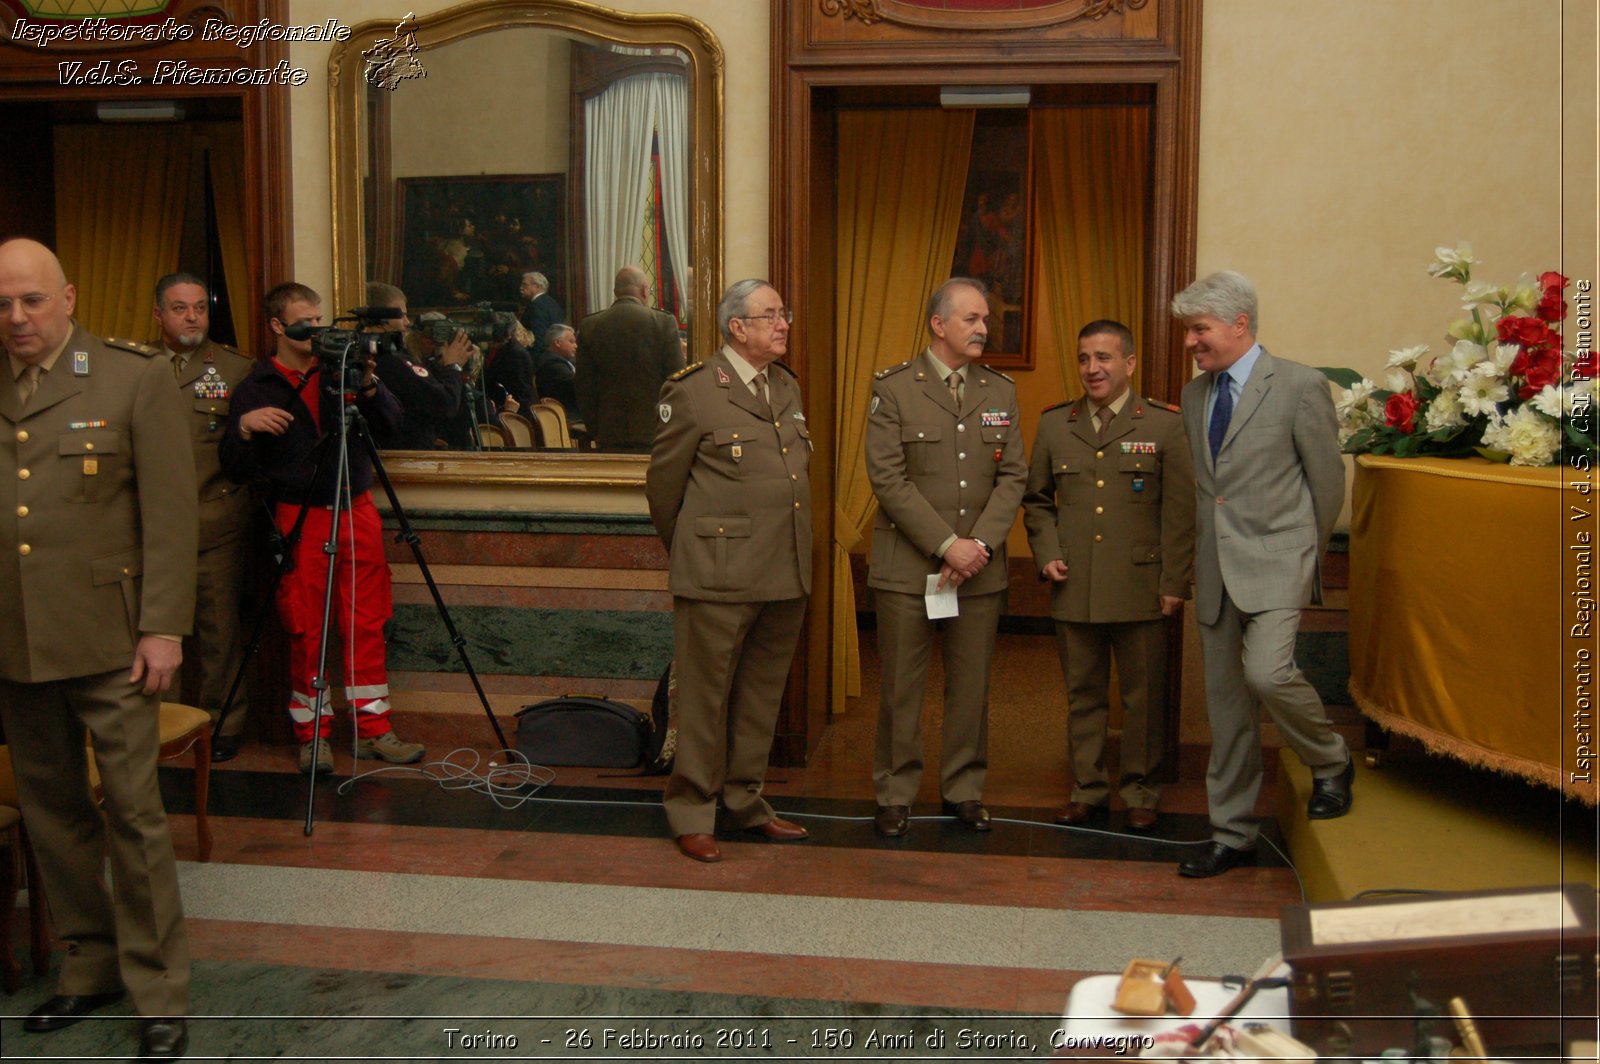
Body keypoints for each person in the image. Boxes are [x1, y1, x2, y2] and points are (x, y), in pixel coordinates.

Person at [0, 238, 195, 1059]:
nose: (16, 318)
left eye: (31, 301)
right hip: (16, 641)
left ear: (68, 297)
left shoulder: (132, 376)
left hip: (114, 640)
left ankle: (160, 989)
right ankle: (89, 969)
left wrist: (163, 627)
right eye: (3, 305)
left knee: (135, 817)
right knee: (53, 815)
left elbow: (170, 513)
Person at [1173, 270, 1352, 878]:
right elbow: (1205, 492)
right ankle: (1232, 834)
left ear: (1239, 324)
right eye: (1189, 331)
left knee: (1268, 674)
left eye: (1200, 330)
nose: (1192, 342)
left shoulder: (1300, 386)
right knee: (1227, 712)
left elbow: (1327, 484)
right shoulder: (1195, 396)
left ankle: (1330, 759)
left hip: (1278, 563)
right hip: (1216, 570)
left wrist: (1306, 555)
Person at [219, 282, 426, 775]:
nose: (317, 330)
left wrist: (370, 386)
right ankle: (313, 735)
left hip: (355, 507)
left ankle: (374, 730)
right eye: (306, 322)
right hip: (299, 512)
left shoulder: (342, 371)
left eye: (319, 320)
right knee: (307, 627)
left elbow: (396, 423)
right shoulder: (258, 385)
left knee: (367, 620)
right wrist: (245, 427)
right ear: (277, 325)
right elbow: (232, 465)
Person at [645, 279, 812, 863]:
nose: (783, 323)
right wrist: (697, 551)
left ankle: (745, 802)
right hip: (717, 573)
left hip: (783, 570)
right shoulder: (693, 392)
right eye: (770, 314)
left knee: (759, 697)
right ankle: (692, 810)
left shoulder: (785, 387)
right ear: (737, 327)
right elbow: (665, 492)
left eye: (783, 312)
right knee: (704, 700)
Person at [865, 277, 1027, 837]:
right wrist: (946, 545)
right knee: (902, 688)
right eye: (972, 320)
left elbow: (1013, 476)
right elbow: (888, 478)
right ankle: (895, 792)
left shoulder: (1000, 391)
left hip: (978, 570)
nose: (984, 329)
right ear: (939, 325)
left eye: (986, 320)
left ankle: (964, 788)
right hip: (909, 569)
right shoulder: (894, 388)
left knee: (971, 686)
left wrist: (977, 545)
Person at [1021, 320, 1195, 832]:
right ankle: (1088, 789)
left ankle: (1140, 790)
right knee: (1084, 695)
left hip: (1142, 584)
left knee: (1142, 697)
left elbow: (1181, 512)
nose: (1092, 369)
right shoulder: (1056, 424)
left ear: (1129, 363)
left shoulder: (1164, 425)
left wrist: (1173, 582)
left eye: (1103, 358)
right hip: (1074, 584)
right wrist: (1046, 551)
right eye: (1083, 359)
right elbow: (1036, 500)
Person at [152, 271, 258, 762]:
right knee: (155, 630)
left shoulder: (234, 369)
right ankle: (161, 726)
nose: (192, 316)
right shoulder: (138, 367)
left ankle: (222, 723)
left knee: (218, 631)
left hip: (213, 519)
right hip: (150, 528)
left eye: (199, 307)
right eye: (180, 308)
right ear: (159, 315)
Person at [576, 265, 683, 450]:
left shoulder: (590, 326)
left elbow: (584, 386)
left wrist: (595, 429)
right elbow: (677, 379)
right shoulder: (663, 322)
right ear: (643, 290)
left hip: (609, 430)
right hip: (656, 429)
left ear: (615, 292)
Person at [362, 281, 470, 451]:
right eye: (402, 315)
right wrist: (453, 367)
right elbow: (443, 405)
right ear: (381, 317)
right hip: (403, 459)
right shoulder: (388, 362)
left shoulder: (390, 357)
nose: (407, 322)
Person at [535, 322, 579, 417]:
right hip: (566, 414)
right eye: (571, 341)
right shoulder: (552, 364)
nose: (576, 346)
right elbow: (577, 385)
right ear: (558, 342)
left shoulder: (565, 360)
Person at [518, 270, 564, 352]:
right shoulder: (551, 302)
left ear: (538, 287)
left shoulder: (537, 306)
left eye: (524, 285)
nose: (521, 288)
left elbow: (538, 339)